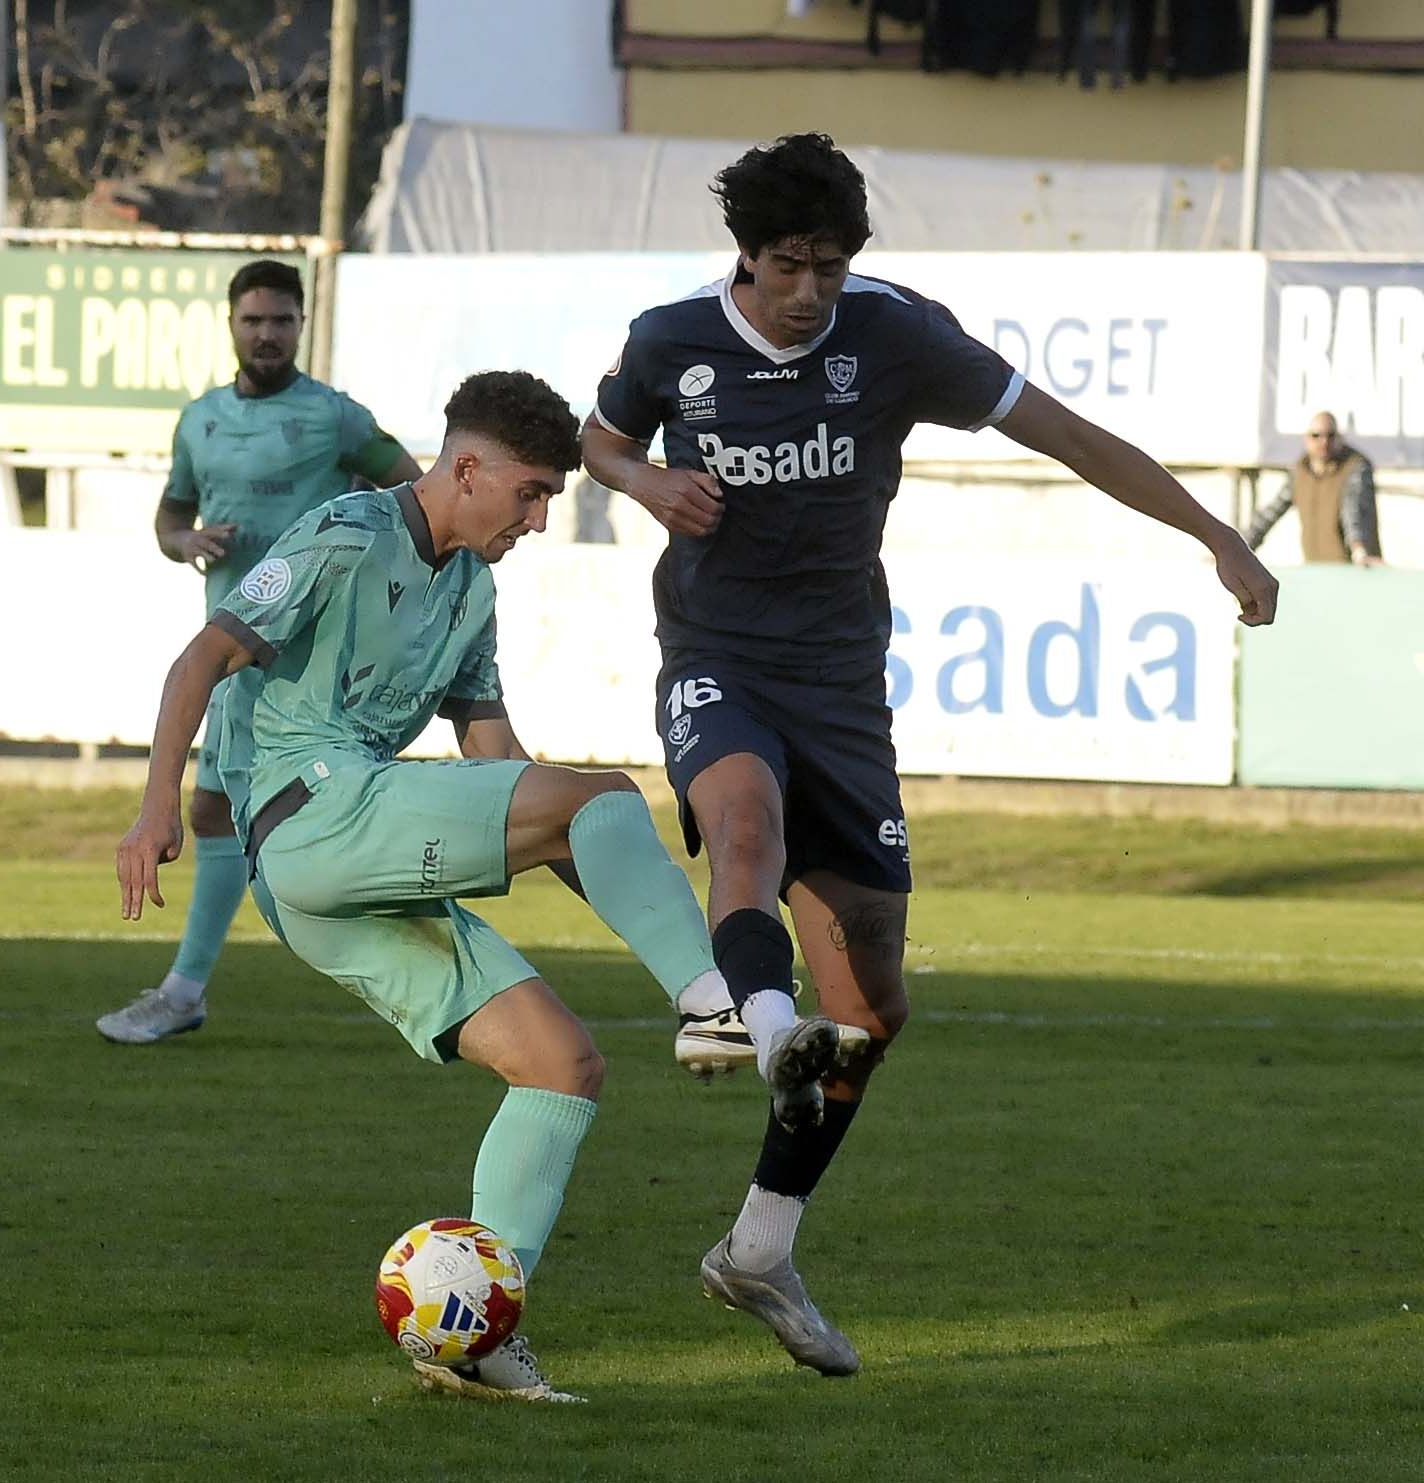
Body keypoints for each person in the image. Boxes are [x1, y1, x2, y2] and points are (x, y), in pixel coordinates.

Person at [581, 132, 1279, 1378]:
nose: (811, 291)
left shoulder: (897, 336)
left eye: (831, 267)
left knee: (873, 1010)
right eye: (789, 266)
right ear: (745, 255)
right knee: (743, 826)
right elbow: (599, 438)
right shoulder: (669, 340)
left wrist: (1216, 534)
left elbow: (1070, 436)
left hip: (843, 687)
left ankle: (760, 1246)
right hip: (717, 653)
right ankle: (764, 1025)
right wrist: (642, 483)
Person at [114, 370, 819, 1403]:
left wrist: (604, 859)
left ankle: (478, 1332)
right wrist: (155, 809)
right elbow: (199, 659)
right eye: (530, 494)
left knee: (562, 1064)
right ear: (469, 468)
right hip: (312, 815)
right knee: (601, 794)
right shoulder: (347, 532)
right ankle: (718, 1002)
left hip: (335, 885)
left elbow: (499, 761)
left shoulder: (472, 592)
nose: (538, 520)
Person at [96, 259, 423, 1046]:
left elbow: (413, 493)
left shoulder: (336, 417)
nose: (267, 334)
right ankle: (188, 989)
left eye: (281, 320)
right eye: (254, 320)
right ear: (232, 325)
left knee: (268, 824)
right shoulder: (200, 420)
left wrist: (353, 551)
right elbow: (171, 516)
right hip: (230, 646)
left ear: (302, 325)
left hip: (299, 660)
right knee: (219, 812)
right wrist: (185, 541)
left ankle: (407, 971)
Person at [1245, 411, 1384, 566]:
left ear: (1340, 438)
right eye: (1316, 436)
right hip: (1315, 568)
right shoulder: (1300, 471)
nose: (1324, 442)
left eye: (1330, 436)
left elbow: (1353, 512)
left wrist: (1359, 551)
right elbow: (1269, 515)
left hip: (1353, 568)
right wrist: (1241, 549)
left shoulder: (1355, 467)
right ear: (1306, 439)